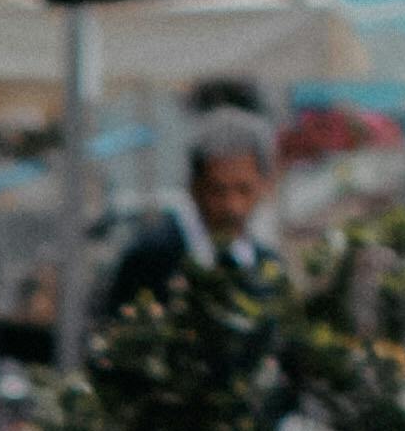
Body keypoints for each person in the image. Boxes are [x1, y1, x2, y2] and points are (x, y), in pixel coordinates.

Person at [94, 105, 279, 320]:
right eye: (218, 191)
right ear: (194, 187)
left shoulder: (267, 266)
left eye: (244, 189)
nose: (232, 206)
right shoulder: (152, 258)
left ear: (264, 185)